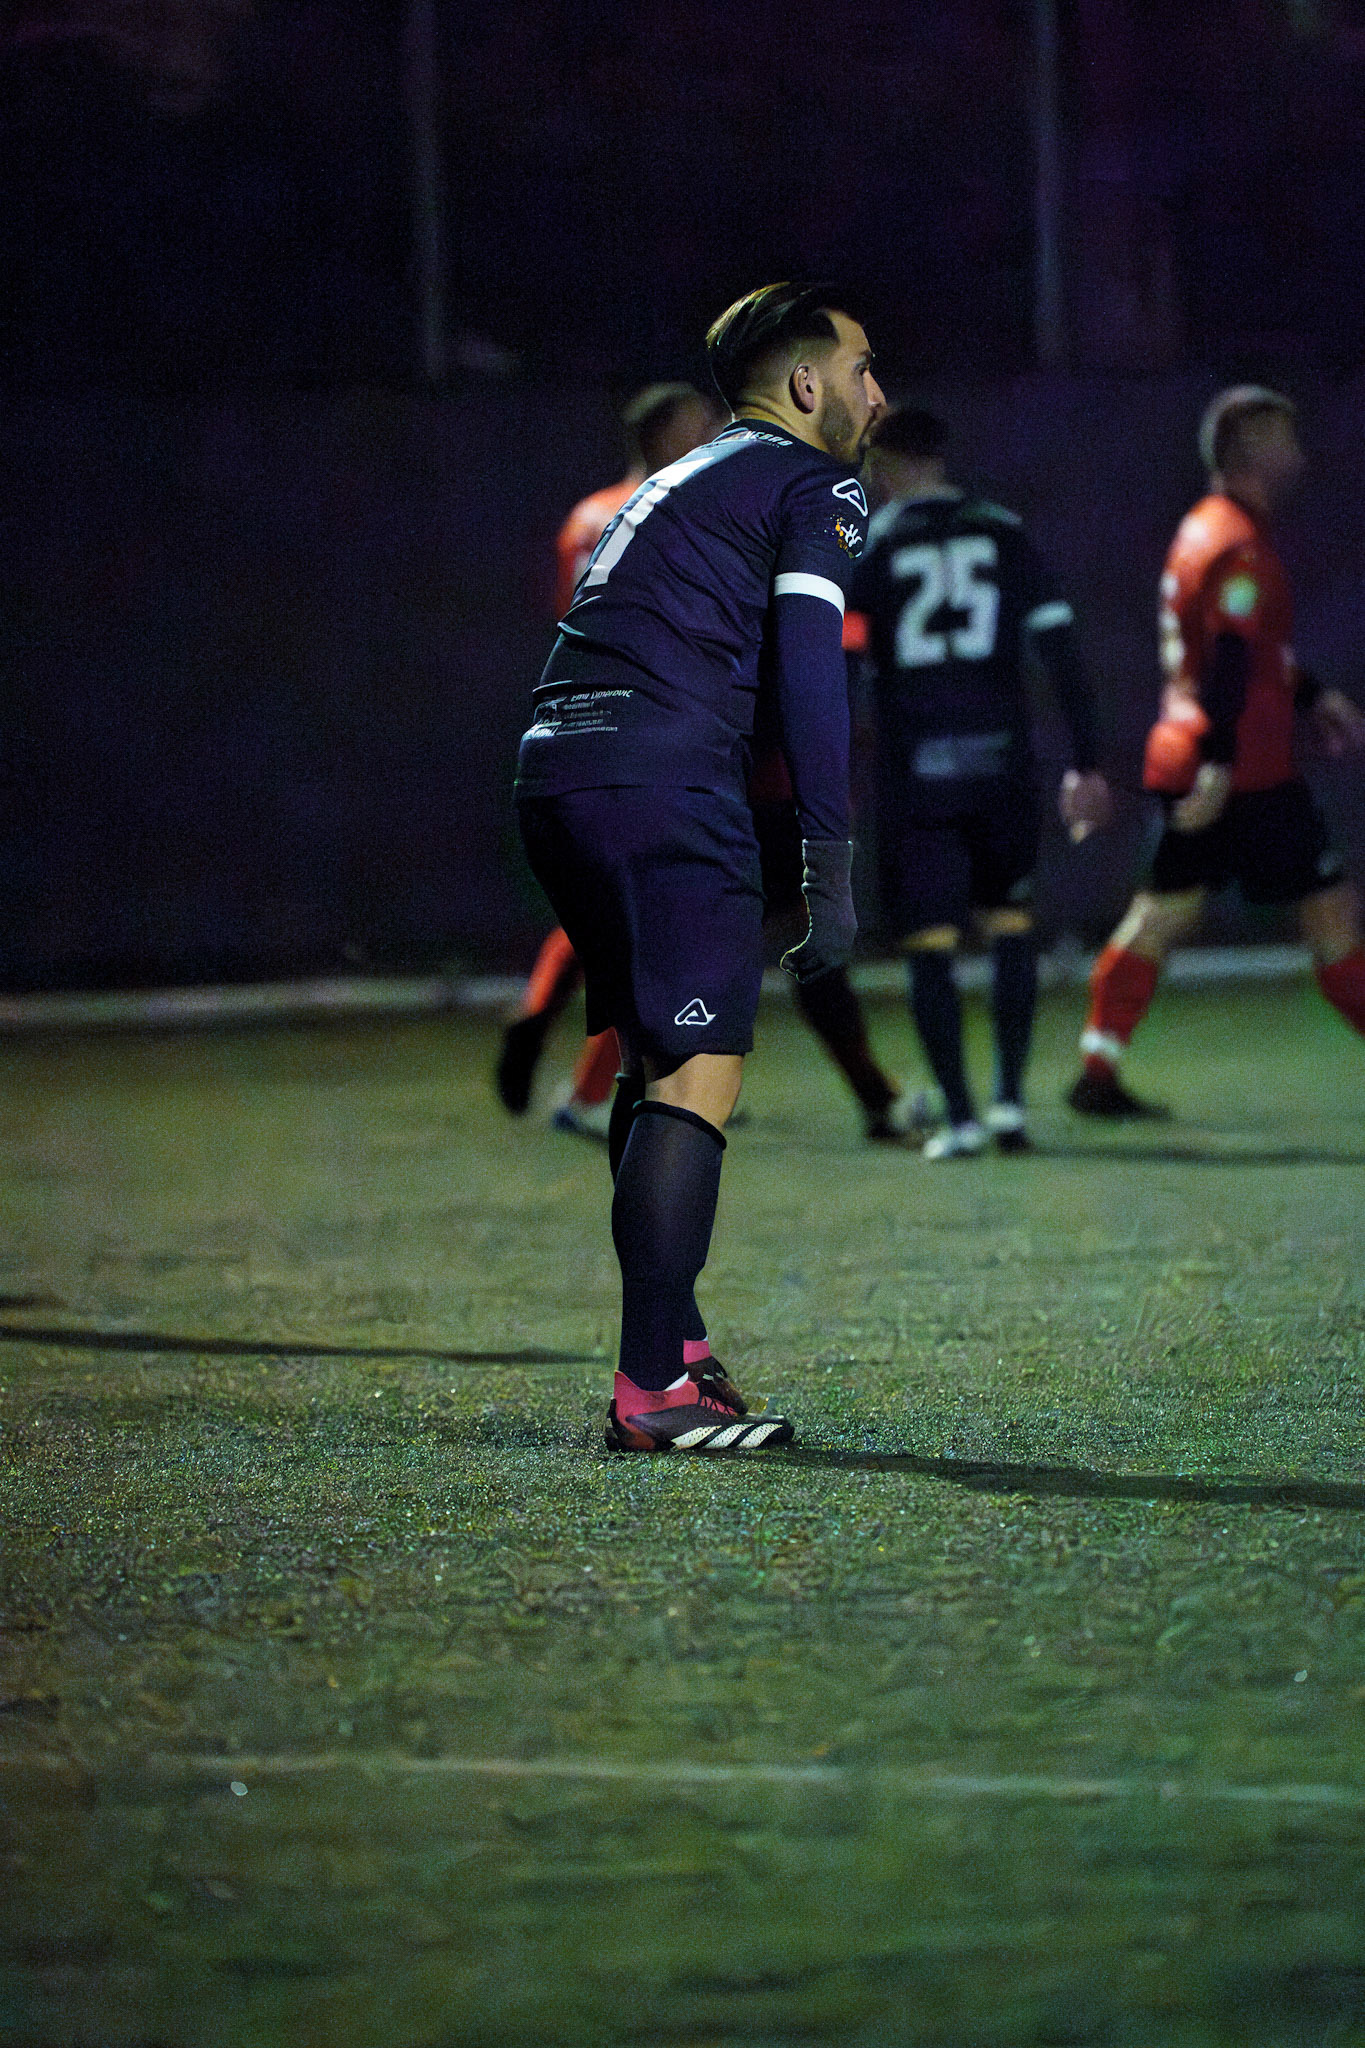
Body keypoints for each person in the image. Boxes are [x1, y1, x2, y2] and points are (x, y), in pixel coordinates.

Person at [515, 281, 885, 1452]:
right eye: (864, 369)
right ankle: (651, 1394)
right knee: (701, 1074)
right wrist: (830, 860)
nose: (880, 395)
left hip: (557, 769)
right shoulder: (813, 480)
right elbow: (811, 681)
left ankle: (673, 1347)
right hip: (661, 780)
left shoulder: (684, 474)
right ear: (806, 384)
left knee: (653, 1061)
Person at [1068, 386, 1365, 1117]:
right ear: (1253, 450)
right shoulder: (1238, 545)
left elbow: (1246, 653)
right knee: (1329, 914)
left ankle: (1096, 1070)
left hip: (1195, 757)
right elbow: (1230, 661)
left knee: (1160, 913)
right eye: (1285, 439)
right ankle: (1096, 1074)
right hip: (1242, 770)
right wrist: (1222, 765)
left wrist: (1312, 694)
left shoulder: (1203, 528)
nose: (1298, 454)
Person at [846, 406, 1112, 1158]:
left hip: (916, 772)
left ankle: (959, 1118)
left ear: (886, 464)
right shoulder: (1003, 531)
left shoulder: (872, 543)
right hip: (1001, 763)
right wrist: (1086, 762)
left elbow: (836, 664)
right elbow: (1059, 652)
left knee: (929, 942)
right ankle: (1007, 1108)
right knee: (1009, 928)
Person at [498, 383, 723, 1137]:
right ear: (662, 435)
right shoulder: (675, 509)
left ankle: (548, 1025)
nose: (709, 438)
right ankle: (597, 1094)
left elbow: (571, 618)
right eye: (696, 427)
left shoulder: (584, 516)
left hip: (578, 721)